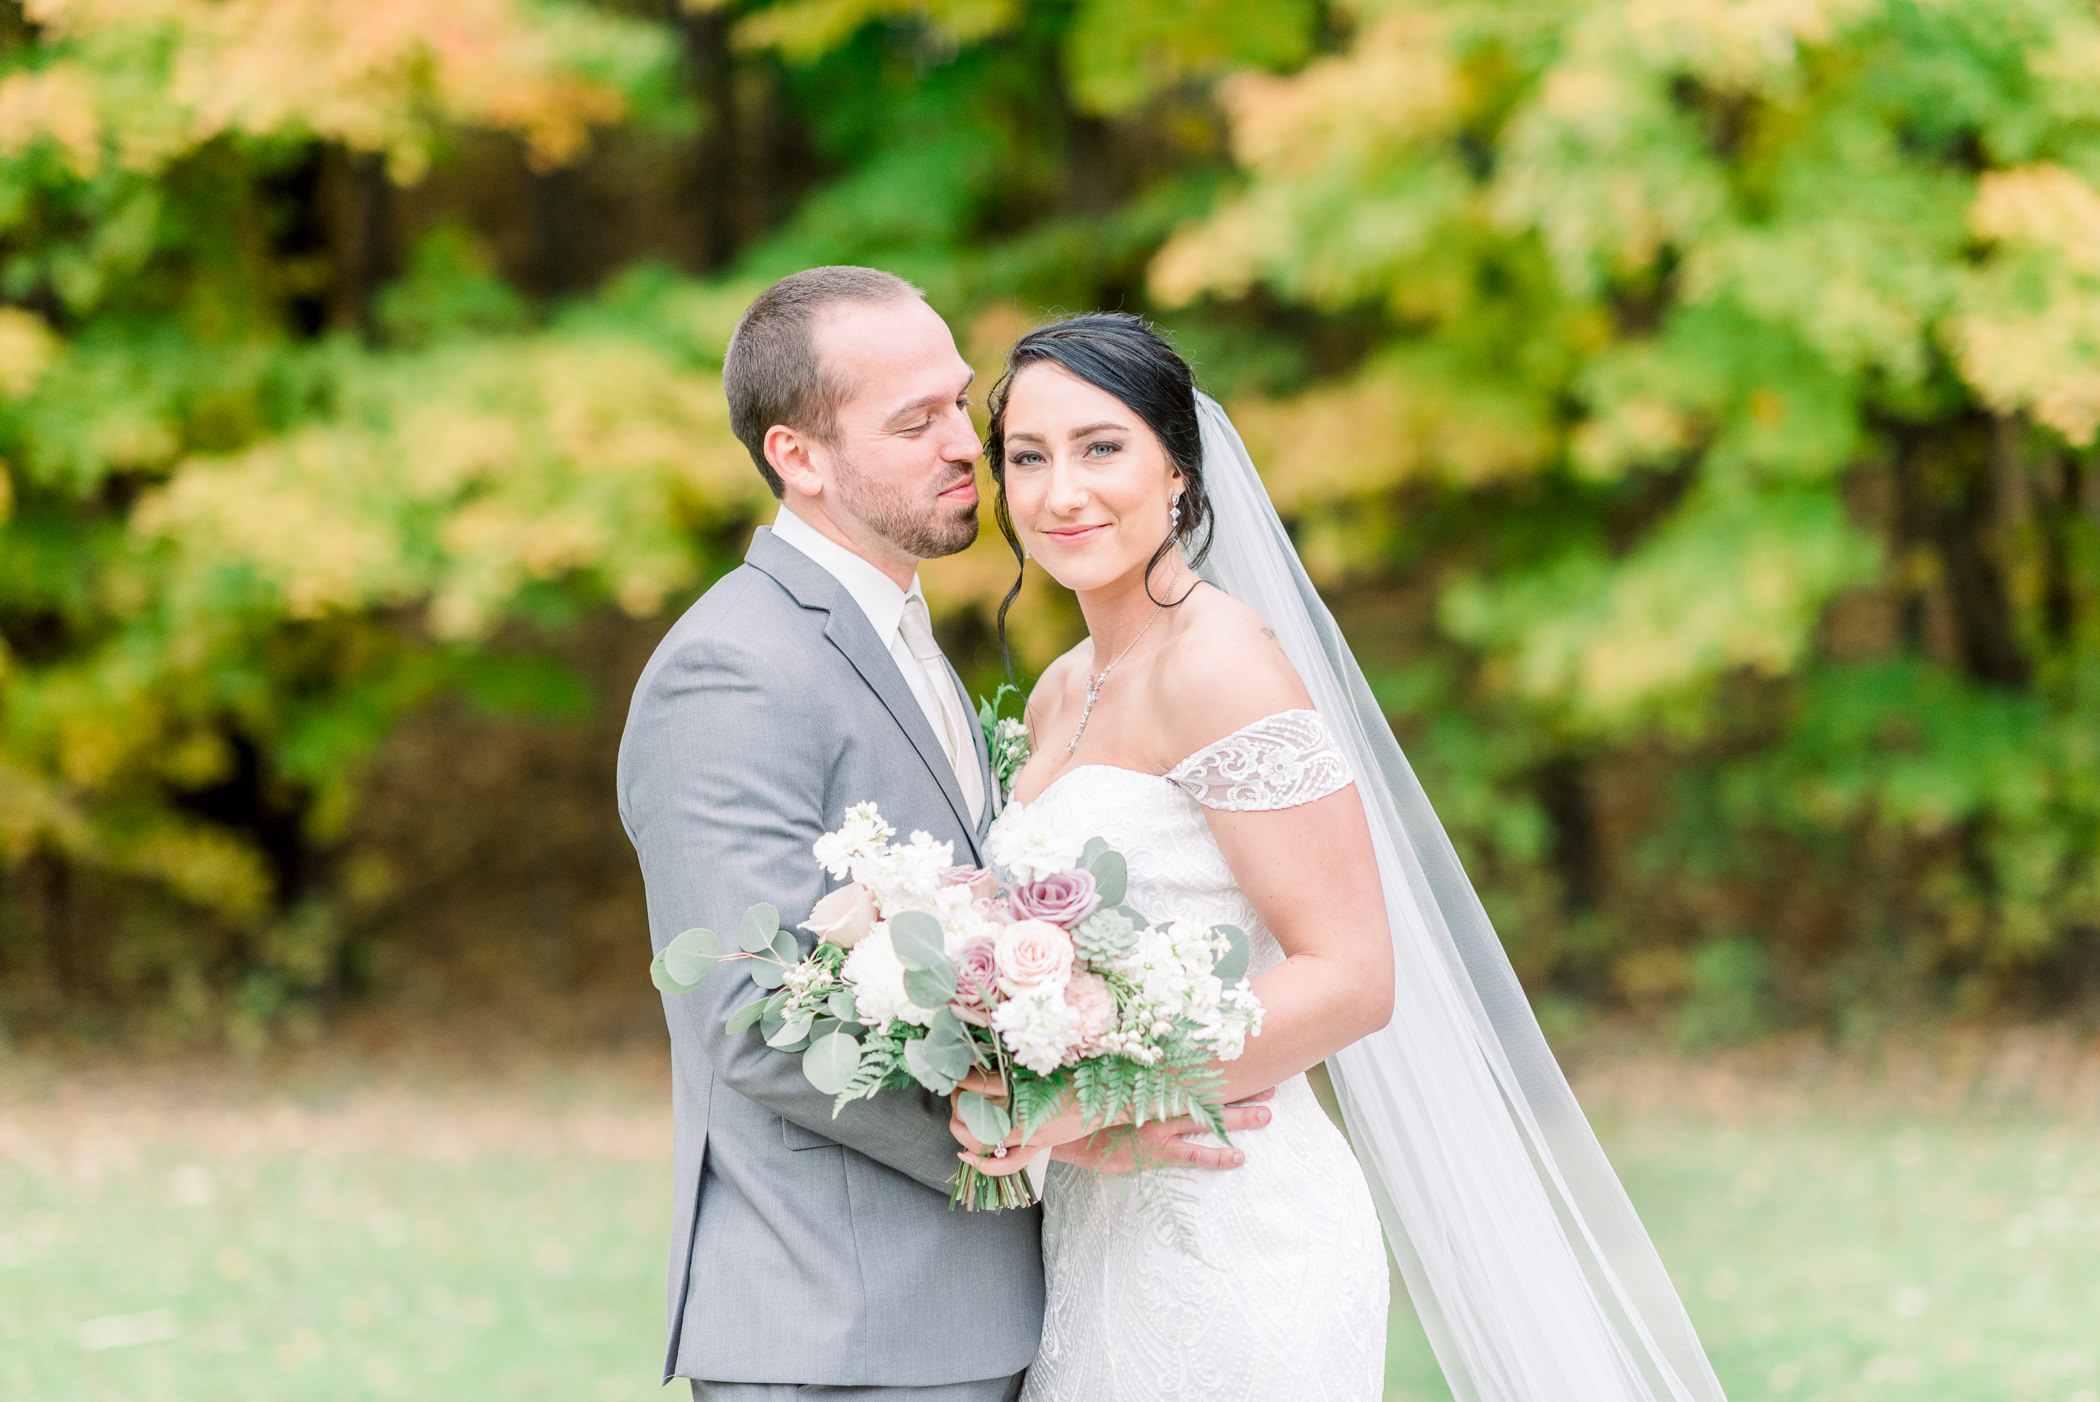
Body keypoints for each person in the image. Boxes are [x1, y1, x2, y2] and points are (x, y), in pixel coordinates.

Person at [956, 313, 1730, 1402]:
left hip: (1235, 1220)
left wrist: (1100, 1097)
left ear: (1177, 467)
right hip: (1095, 1225)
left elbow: (1352, 975)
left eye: (1101, 446)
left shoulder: (1221, 665)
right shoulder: (1060, 690)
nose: (1060, 491)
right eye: (1026, 458)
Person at [616, 269, 1268, 1402]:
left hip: (980, 1313)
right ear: (798, 457)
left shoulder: (908, 639)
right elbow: (749, 1014)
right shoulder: (733, 668)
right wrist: (1039, 1131)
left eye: (960, 404)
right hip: (846, 1331)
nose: (965, 444)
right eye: (913, 422)